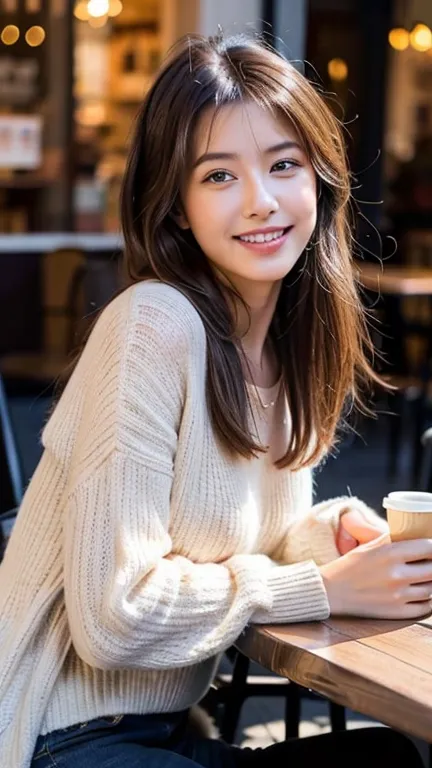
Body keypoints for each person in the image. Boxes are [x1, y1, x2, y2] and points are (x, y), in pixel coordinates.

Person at [0, 33, 428, 768]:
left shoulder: (283, 347)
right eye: (219, 176)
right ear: (175, 206)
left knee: (384, 759)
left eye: (283, 165)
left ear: (319, 181)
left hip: (170, 727)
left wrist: (334, 539)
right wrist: (321, 588)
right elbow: (113, 615)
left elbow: (241, 547)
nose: (261, 201)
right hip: (54, 735)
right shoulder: (152, 326)